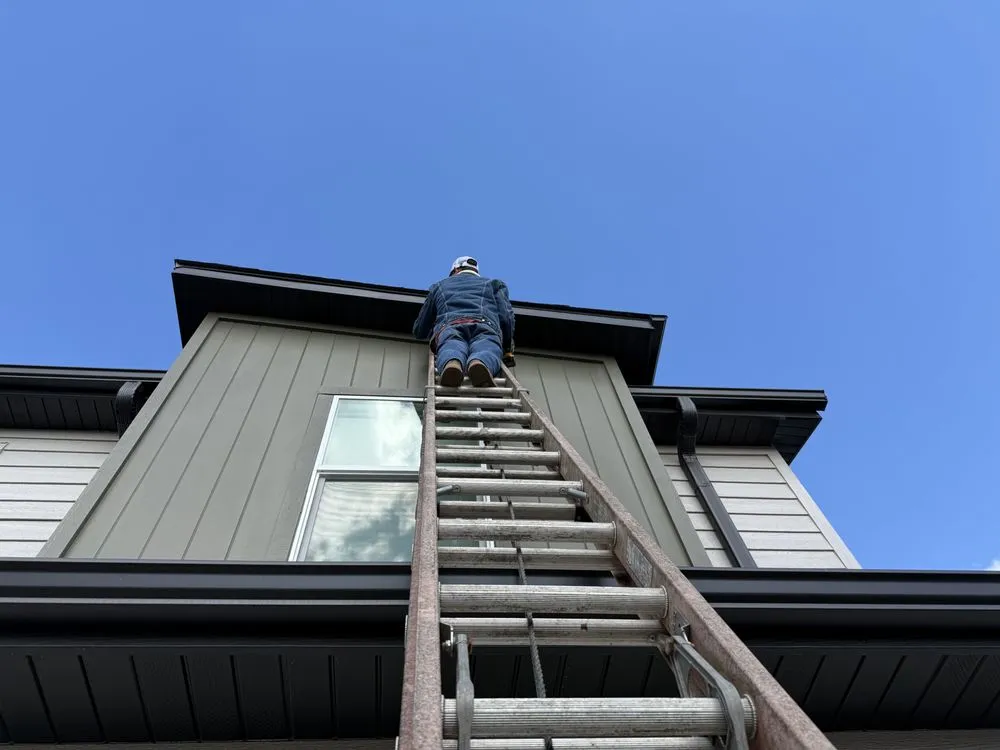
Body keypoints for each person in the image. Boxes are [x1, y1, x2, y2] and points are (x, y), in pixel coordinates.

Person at [412, 256, 515, 388]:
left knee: (451, 345)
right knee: (487, 346)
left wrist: (430, 329)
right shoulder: (494, 284)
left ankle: (452, 363)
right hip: (485, 325)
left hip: (449, 326)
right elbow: (506, 316)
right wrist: (507, 347)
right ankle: (479, 362)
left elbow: (420, 329)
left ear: (455, 269)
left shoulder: (439, 286)